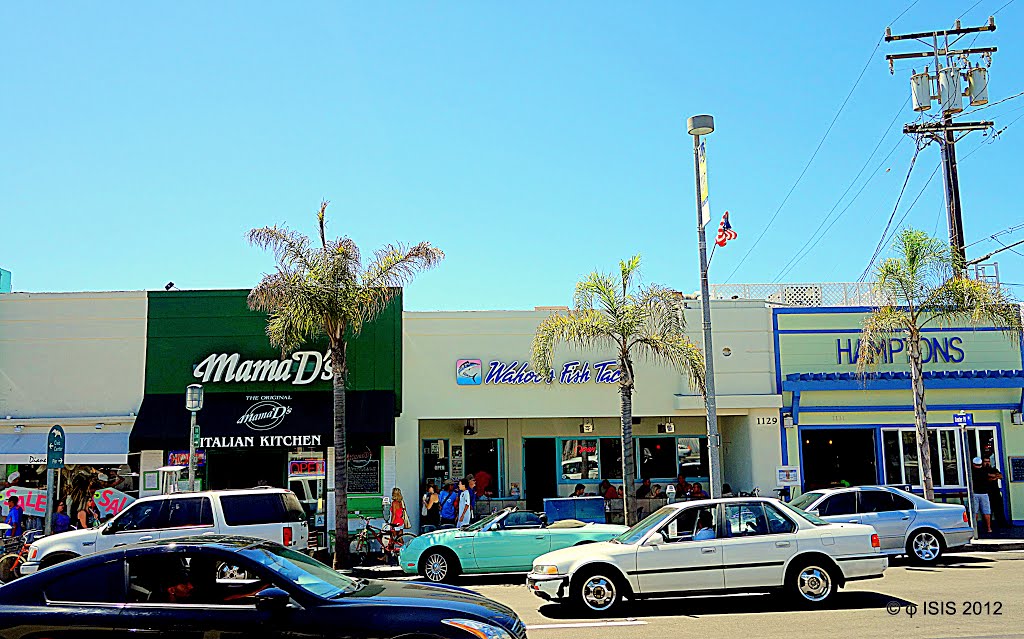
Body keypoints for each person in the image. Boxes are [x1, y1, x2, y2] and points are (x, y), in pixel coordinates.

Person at [971, 456, 1002, 535]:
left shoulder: (971, 472)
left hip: (975, 493)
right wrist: (994, 477)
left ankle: (975, 529)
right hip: (984, 493)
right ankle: (989, 528)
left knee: (975, 511)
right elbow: (990, 478)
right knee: (986, 511)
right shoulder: (984, 471)